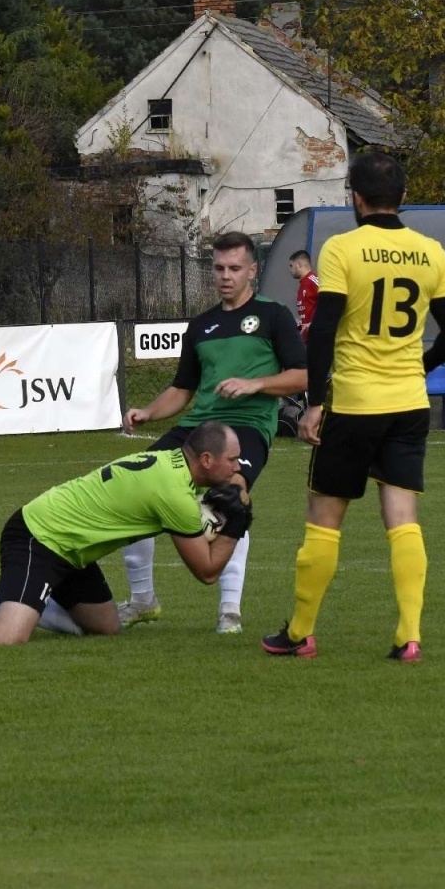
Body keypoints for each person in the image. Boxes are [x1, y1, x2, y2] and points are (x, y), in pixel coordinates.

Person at [262, 151, 445, 663]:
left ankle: (301, 632)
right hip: (408, 404)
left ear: (355, 196)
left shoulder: (341, 249)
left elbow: (324, 330)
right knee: (402, 516)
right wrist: (420, 366)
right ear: (403, 197)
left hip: (354, 404)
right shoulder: (430, 251)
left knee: (325, 517)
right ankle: (409, 634)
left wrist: (314, 404)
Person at [0, 421, 252, 647]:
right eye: (233, 460)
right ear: (205, 459)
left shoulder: (172, 465)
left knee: (105, 628)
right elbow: (206, 571)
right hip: (39, 537)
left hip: (73, 548)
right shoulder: (174, 493)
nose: (238, 467)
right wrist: (236, 523)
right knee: (6, 640)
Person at [118, 231, 307, 635]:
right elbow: (182, 389)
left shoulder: (274, 316)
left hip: (247, 427)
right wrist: (149, 412)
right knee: (132, 484)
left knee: (231, 497)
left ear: (252, 271)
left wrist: (254, 385)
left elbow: (302, 376)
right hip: (195, 427)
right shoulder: (201, 325)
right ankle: (142, 600)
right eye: (219, 268)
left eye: (235, 268)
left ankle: (229, 611)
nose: (225, 276)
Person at [289, 249, 320, 340]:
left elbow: (329, 304)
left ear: (298, 265)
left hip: (318, 338)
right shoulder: (303, 285)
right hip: (308, 339)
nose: (290, 270)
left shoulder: (313, 280)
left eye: (291, 266)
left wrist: (313, 324)